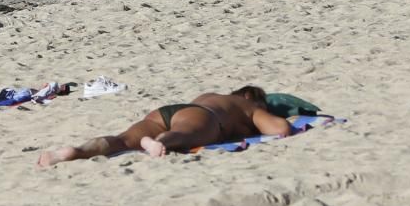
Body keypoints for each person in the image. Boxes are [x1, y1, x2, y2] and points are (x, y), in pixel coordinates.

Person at [37, 85, 291, 167]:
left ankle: (75, 151)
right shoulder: (247, 105)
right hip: (202, 116)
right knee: (184, 134)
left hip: (167, 111)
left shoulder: (212, 95)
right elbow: (280, 129)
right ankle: (160, 143)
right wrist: (257, 119)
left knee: (122, 140)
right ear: (249, 96)